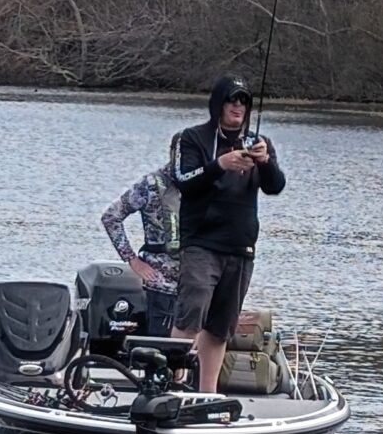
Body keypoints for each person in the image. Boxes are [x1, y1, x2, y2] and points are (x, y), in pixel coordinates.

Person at [168, 74, 286, 394]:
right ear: (219, 103)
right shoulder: (191, 139)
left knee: (221, 328)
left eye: (244, 101)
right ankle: (171, 386)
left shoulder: (258, 143)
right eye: (232, 100)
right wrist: (219, 165)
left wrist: (264, 162)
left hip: (241, 247)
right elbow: (183, 178)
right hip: (202, 244)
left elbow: (275, 186)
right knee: (191, 316)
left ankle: (207, 395)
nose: (238, 106)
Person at [100, 161, 182, 337]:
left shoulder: (207, 182)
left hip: (199, 284)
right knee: (161, 352)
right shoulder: (151, 184)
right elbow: (110, 217)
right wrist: (132, 259)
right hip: (161, 284)